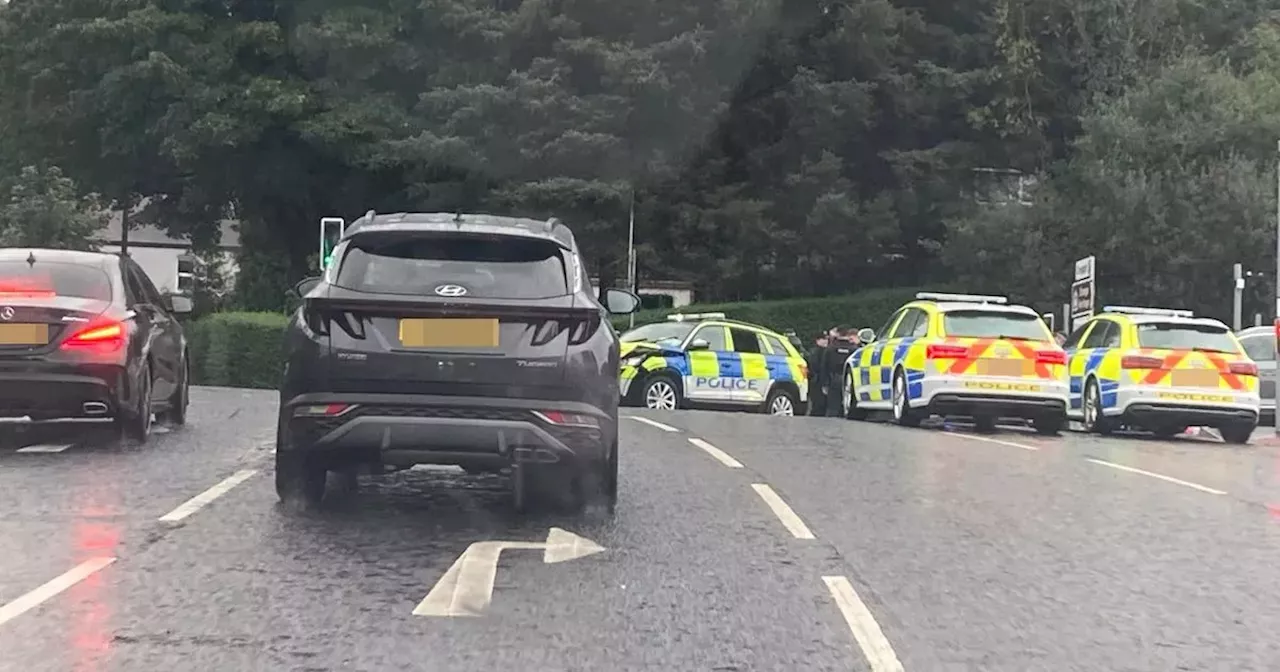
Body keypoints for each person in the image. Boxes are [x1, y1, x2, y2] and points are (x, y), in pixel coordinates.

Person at [820, 326, 859, 416]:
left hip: (834, 379)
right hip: (850, 380)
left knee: (833, 407)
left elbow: (824, 366)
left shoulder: (830, 348)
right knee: (849, 406)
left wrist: (825, 383)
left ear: (838, 334)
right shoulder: (854, 349)